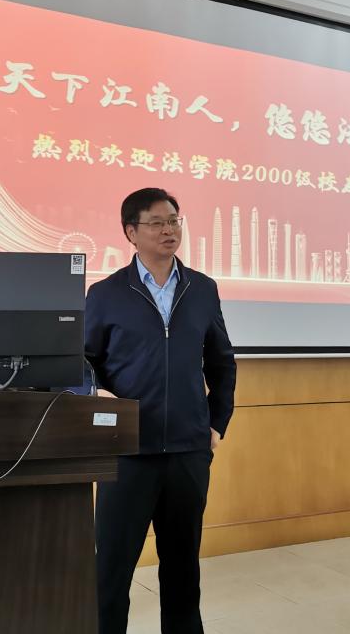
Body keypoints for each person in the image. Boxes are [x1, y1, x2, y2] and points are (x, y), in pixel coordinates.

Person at [85, 187, 237, 634]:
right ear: (131, 232)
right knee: (112, 569)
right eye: (156, 223)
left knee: (182, 571)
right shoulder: (106, 293)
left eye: (174, 221)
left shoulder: (202, 288)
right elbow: (83, 359)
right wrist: (96, 392)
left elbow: (222, 361)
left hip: (188, 452)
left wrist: (217, 423)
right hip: (127, 451)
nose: (169, 230)